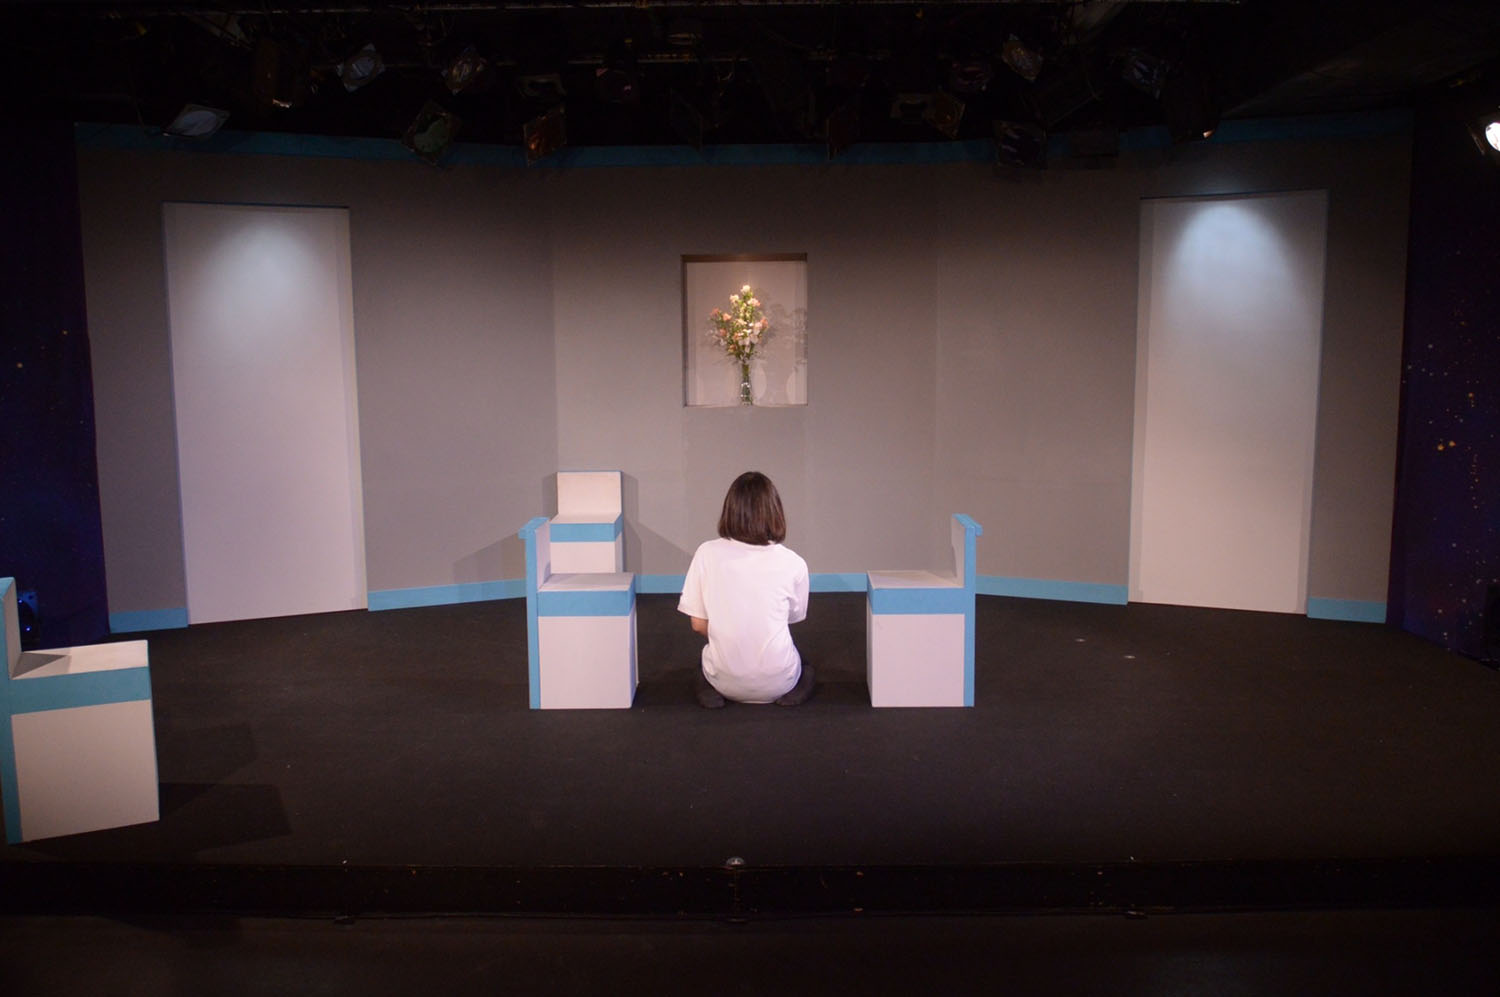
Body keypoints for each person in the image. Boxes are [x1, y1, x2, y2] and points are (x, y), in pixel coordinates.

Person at [678, 471, 813, 708]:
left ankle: (711, 692)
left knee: (702, 665)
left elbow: (698, 624)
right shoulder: (794, 562)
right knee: (806, 667)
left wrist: (725, 634)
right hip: (779, 680)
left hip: (724, 680)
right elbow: (792, 617)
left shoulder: (706, 554)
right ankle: (792, 693)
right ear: (775, 512)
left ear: (730, 511)